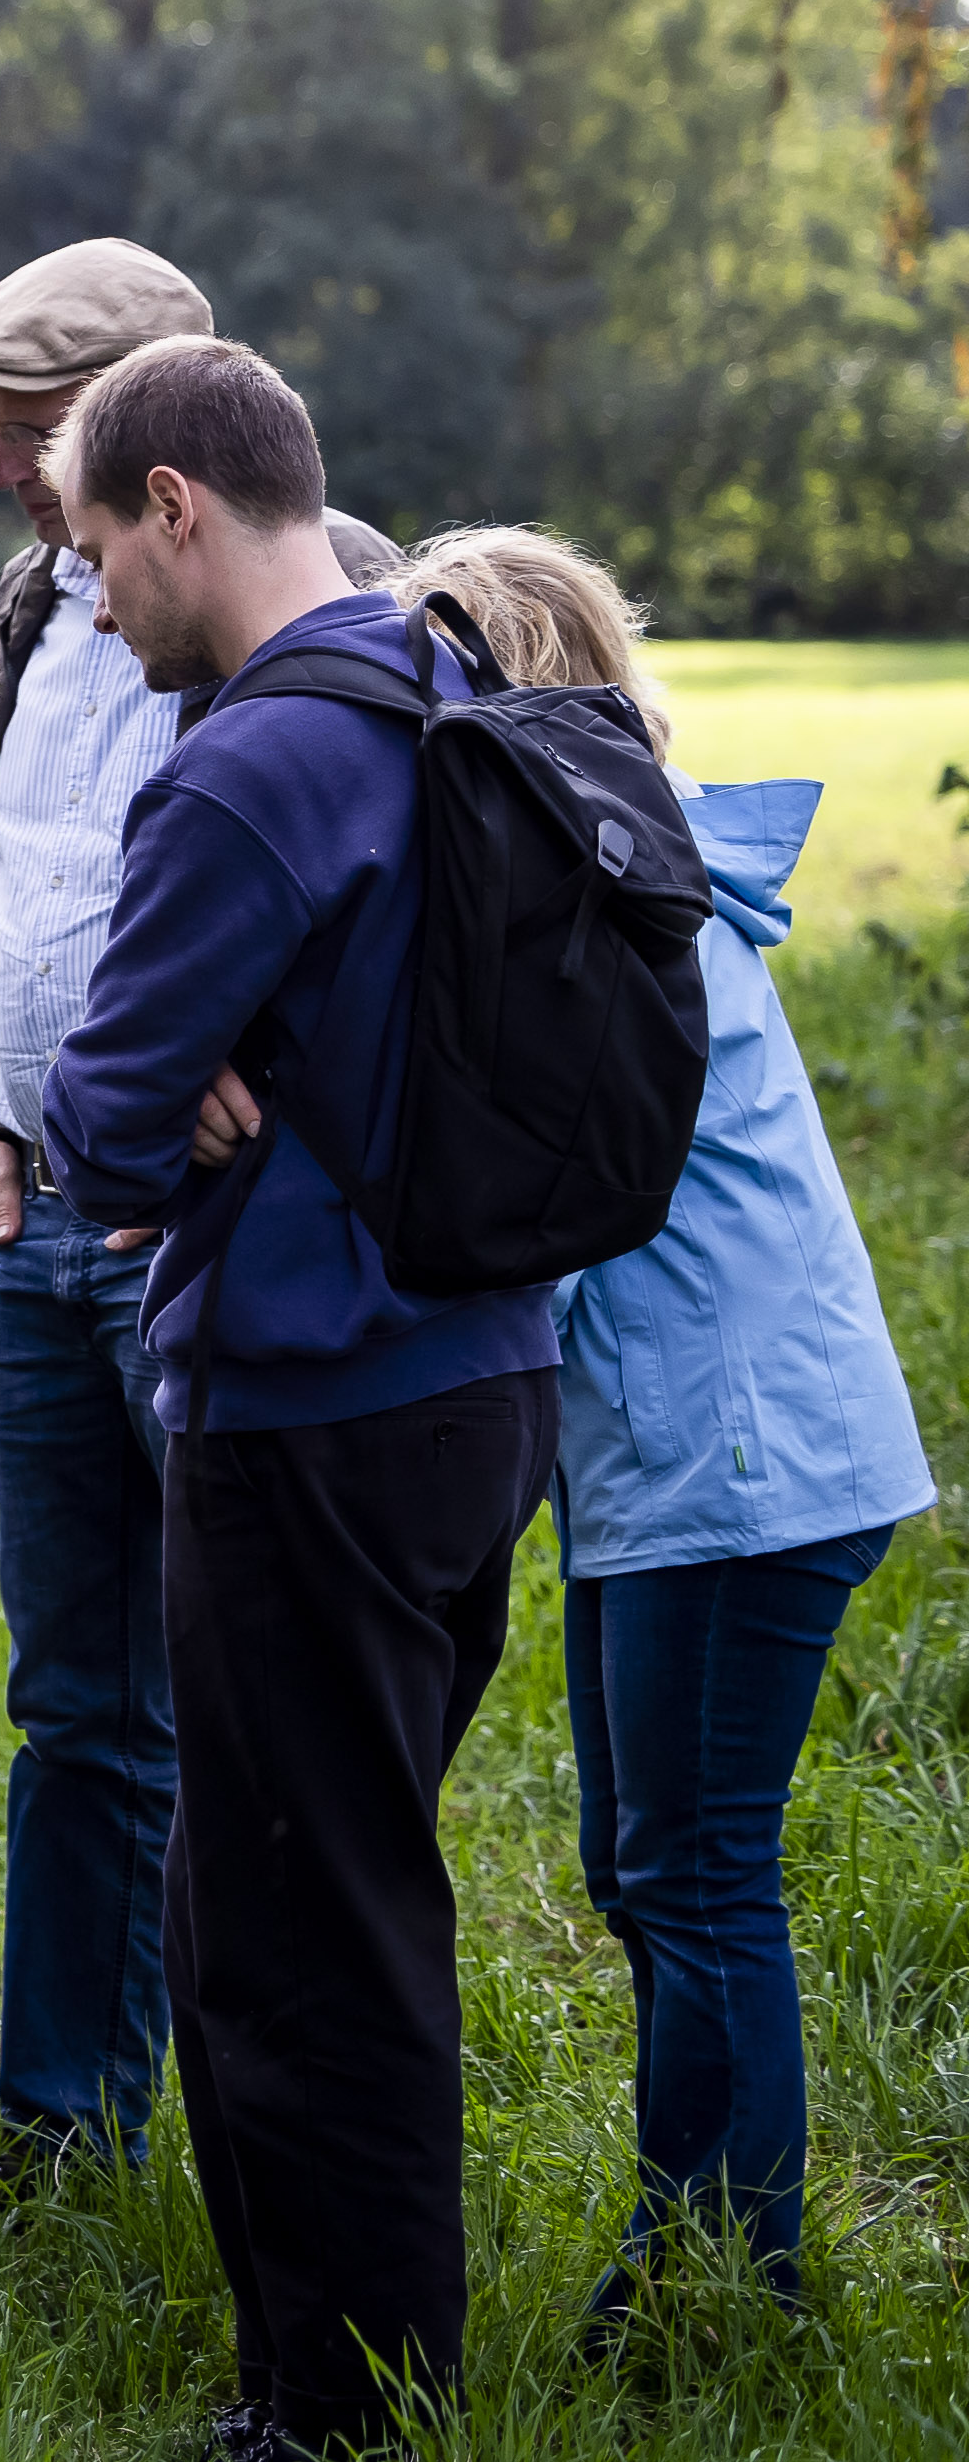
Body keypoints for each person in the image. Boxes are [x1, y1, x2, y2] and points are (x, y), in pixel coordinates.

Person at [40, 338, 565, 2462]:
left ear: (178, 504)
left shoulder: (249, 771)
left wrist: (165, 1103)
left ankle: (338, 2426)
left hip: (311, 1405)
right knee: (333, 1887)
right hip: (487, 1376)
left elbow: (94, 1117)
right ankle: (333, 2375)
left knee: (296, 1925)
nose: (86, 601)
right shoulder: (451, 693)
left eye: (90, 546)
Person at [378, 527, 933, 2320]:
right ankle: (693, 2231)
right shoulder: (603, 872)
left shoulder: (604, 908)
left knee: (695, 1873)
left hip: (742, 1456)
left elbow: (536, 1188)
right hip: (692, 1451)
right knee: (645, 1862)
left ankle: (725, 2274)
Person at [0, 243, 402, 2171]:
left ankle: (253, 2124)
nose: (13, 474)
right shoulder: (17, 608)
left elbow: (371, 866)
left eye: (33, 434)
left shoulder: (322, 584)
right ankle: (64, 2120)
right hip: (27, 1227)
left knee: (238, 1702)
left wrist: (251, 1071)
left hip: (212, 1234)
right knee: (70, 1695)